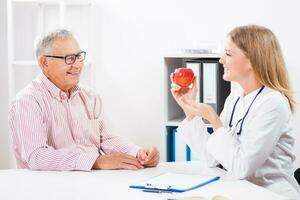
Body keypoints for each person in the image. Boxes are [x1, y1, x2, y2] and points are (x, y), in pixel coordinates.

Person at [170, 25, 300, 199]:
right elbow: (212, 159)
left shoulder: (273, 103)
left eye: (228, 54)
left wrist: (212, 118)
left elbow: (241, 167)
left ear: (252, 61)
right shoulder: (236, 97)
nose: (221, 60)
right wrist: (189, 109)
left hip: (271, 193)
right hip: (240, 190)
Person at [9, 29, 159, 171]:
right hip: (49, 188)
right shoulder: (27, 101)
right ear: (44, 63)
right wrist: (96, 161)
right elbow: (36, 156)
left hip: (92, 182)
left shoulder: (90, 96)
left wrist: (138, 153)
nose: (78, 65)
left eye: (79, 56)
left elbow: (107, 139)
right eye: (69, 58)